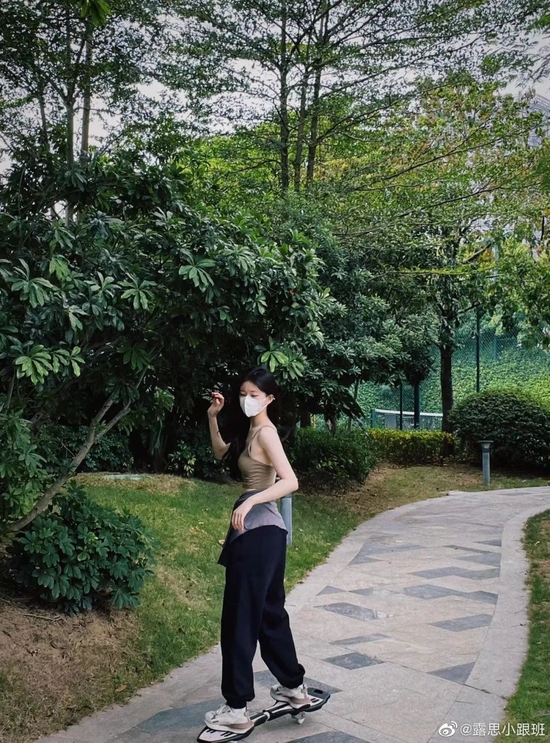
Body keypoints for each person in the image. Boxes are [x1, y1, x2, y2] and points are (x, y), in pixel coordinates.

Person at [204, 365, 310, 734]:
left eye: (254, 395)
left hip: (258, 532)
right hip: (265, 535)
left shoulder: (266, 433)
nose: (247, 400)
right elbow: (221, 452)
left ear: (269, 398)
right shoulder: (250, 430)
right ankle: (294, 687)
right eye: (243, 393)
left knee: (239, 618)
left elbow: (290, 481)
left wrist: (250, 501)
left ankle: (236, 708)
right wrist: (213, 418)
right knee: (268, 614)